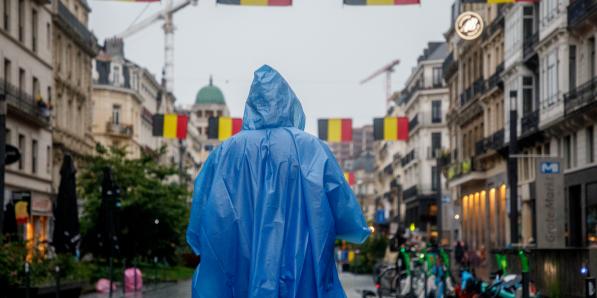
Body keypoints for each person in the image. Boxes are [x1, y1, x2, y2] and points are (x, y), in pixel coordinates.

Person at [186, 65, 371, 298]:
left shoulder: (224, 153)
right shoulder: (314, 150)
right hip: (301, 279)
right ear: (289, 103)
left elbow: (198, 224)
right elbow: (349, 219)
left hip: (236, 279)